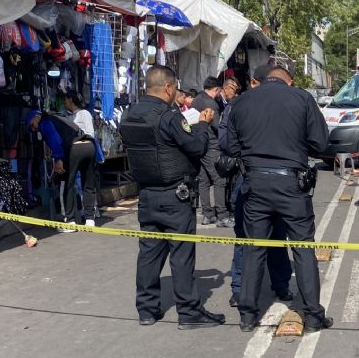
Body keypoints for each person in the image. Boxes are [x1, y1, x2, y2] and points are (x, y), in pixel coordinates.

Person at [226, 67, 333, 333]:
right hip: (291, 184)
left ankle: (248, 315)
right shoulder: (302, 98)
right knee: (303, 248)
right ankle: (312, 315)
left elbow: (229, 147)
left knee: (254, 248)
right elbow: (321, 143)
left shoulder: (241, 101)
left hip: (255, 184)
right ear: (289, 80)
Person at [119, 66, 226, 330]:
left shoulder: (130, 114)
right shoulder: (168, 117)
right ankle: (189, 312)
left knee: (149, 253)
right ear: (168, 88)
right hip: (175, 195)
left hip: (146, 194)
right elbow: (197, 147)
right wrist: (202, 124)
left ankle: (146, 309)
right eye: (175, 88)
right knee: (181, 254)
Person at [219, 64, 293, 308]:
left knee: (269, 236)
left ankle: (275, 285)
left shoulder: (246, 106)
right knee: (252, 237)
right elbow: (226, 142)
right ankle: (244, 288)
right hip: (256, 178)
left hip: (258, 179)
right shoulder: (239, 107)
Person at [26, 109, 96, 233]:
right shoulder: (58, 117)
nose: (33, 129)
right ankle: (90, 220)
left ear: (37, 117)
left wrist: (58, 159)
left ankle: (70, 221)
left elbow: (55, 140)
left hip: (74, 148)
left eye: (32, 125)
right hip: (89, 145)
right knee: (88, 184)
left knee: (66, 183)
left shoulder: (45, 122)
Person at [191, 77, 233, 227]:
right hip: (212, 146)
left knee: (203, 180)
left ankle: (207, 215)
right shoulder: (211, 103)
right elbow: (218, 126)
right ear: (216, 89)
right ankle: (222, 216)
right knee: (219, 180)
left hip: (199, 144)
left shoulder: (196, 100)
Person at [64, 92, 101, 226]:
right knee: (86, 183)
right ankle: (89, 218)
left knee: (71, 183)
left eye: (66, 99)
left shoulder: (84, 113)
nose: (64, 103)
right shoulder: (67, 116)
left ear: (71, 100)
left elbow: (90, 133)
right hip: (85, 148)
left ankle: (72, 219)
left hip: (80, 147)